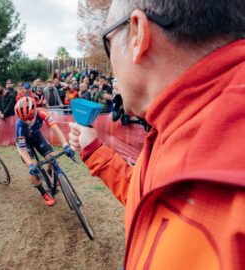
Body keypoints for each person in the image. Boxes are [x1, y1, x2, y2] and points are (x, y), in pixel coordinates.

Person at [69, 1, 245, 269]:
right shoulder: (170, 123)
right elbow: (151, 200)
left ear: (138, 34)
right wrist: (94, 150)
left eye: (108, 44)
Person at [14, 97, 75, 206]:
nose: (27, 121)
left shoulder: (41, 112)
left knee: (52, 157)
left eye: (30, 117)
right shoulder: (19, 125)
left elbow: (55, 128)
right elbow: (23, 150)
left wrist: (65, 145)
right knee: (32, 167)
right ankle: (43, 193)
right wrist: (30, 164)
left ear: (34, 113)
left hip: (37, 137)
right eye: (24, 119)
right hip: (25, 144)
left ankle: (50, 172)